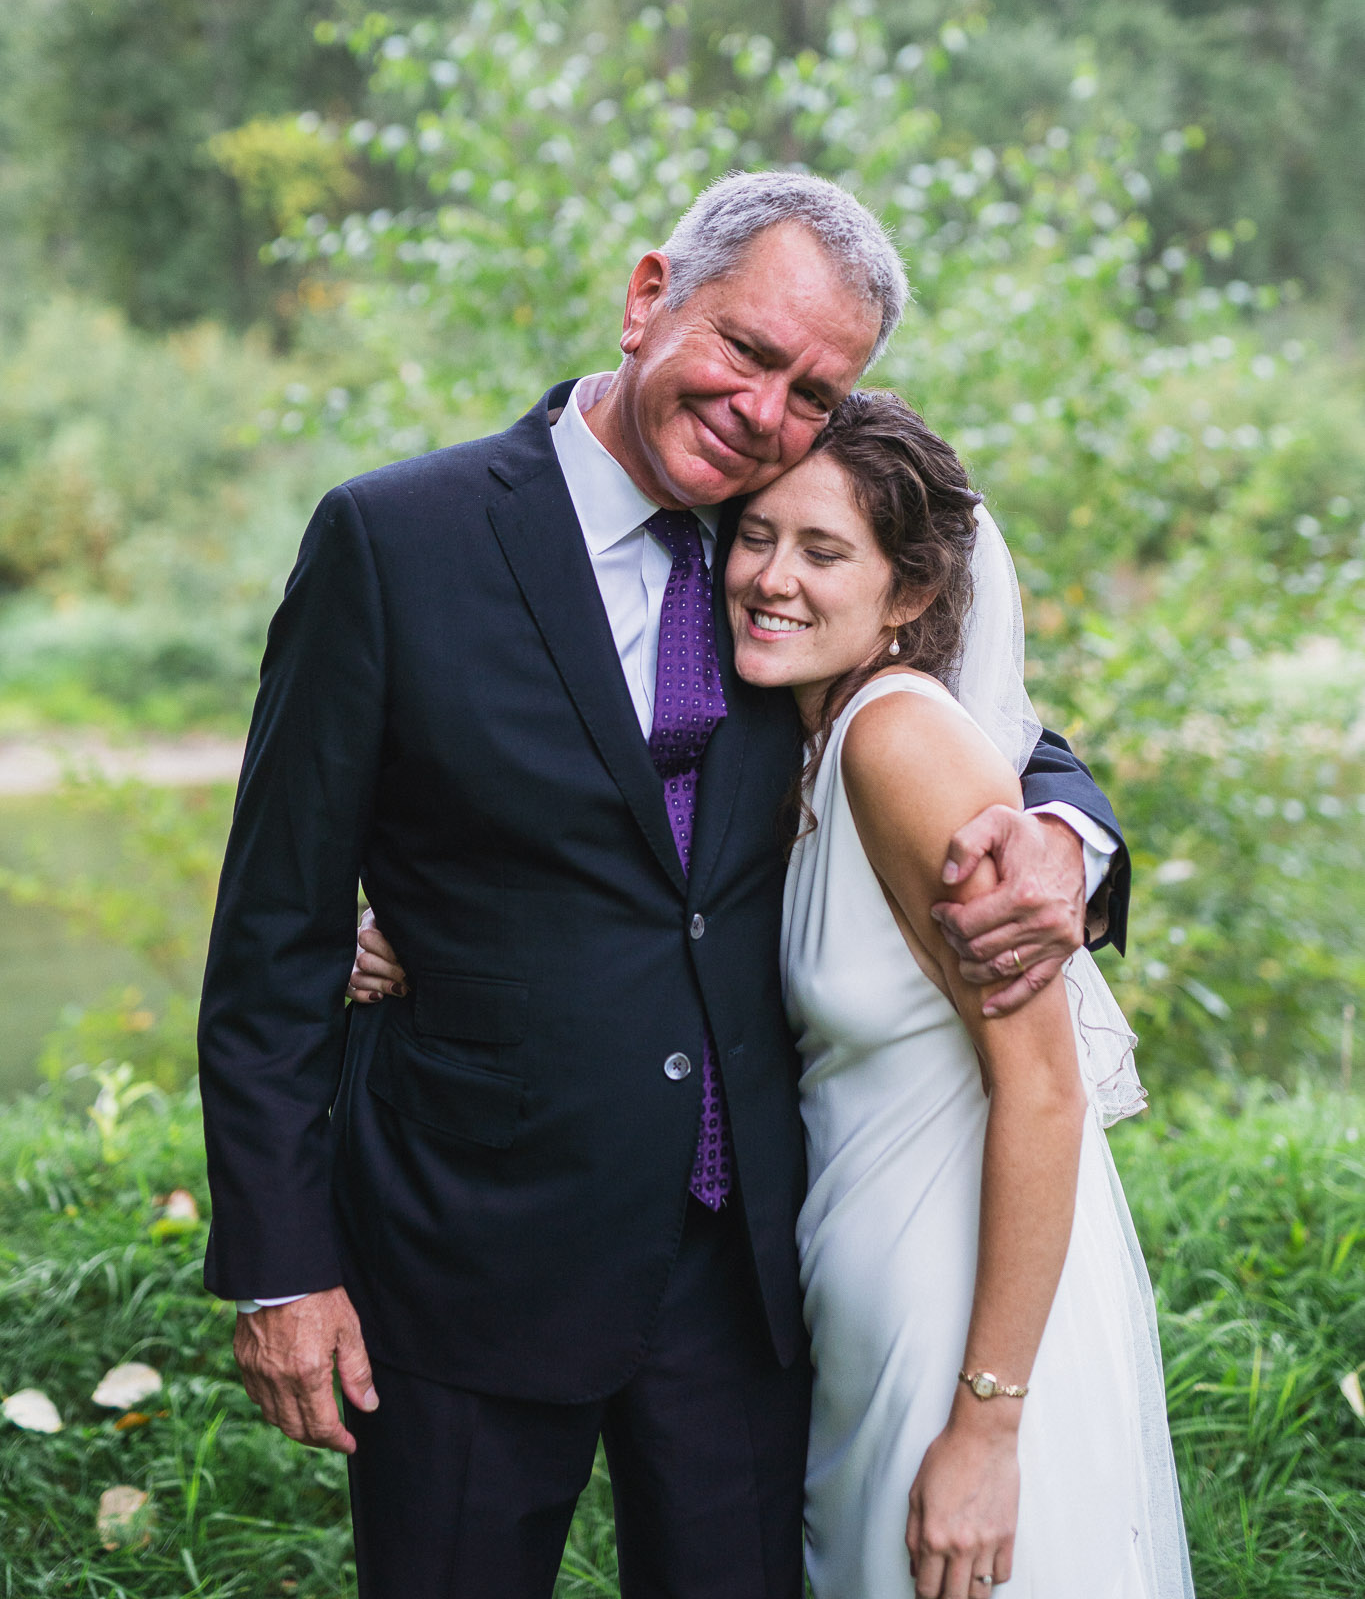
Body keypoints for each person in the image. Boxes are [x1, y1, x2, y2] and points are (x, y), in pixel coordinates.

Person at [199, 172, 1128, 1599]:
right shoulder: (396, 542)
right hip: (465, 1248)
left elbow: (980, 717)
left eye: (813, 392)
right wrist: (282, 1267)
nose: (764, 410)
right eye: (745, 350)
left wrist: (1067, 833)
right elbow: (275, 933)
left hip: (746, 1274)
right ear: (648, 299)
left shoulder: (784, 542)